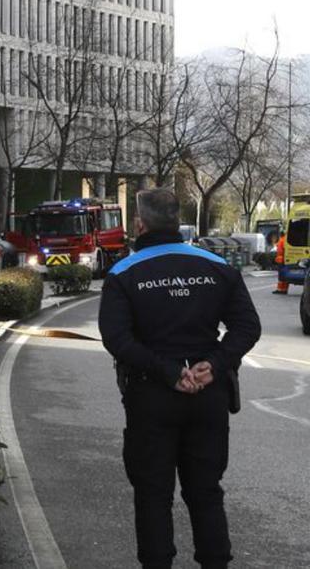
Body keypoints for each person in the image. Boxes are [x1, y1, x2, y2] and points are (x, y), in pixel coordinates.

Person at [98, 188, 261, 569]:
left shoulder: (123, 273)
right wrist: (215, 364)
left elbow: (117, 339)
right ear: (176, 220)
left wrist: (168, 372)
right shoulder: (217, 266)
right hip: (208, 395)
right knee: (206, 491)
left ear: (140, 223)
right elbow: (247, 327)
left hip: (151, 395)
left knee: (153, 494)